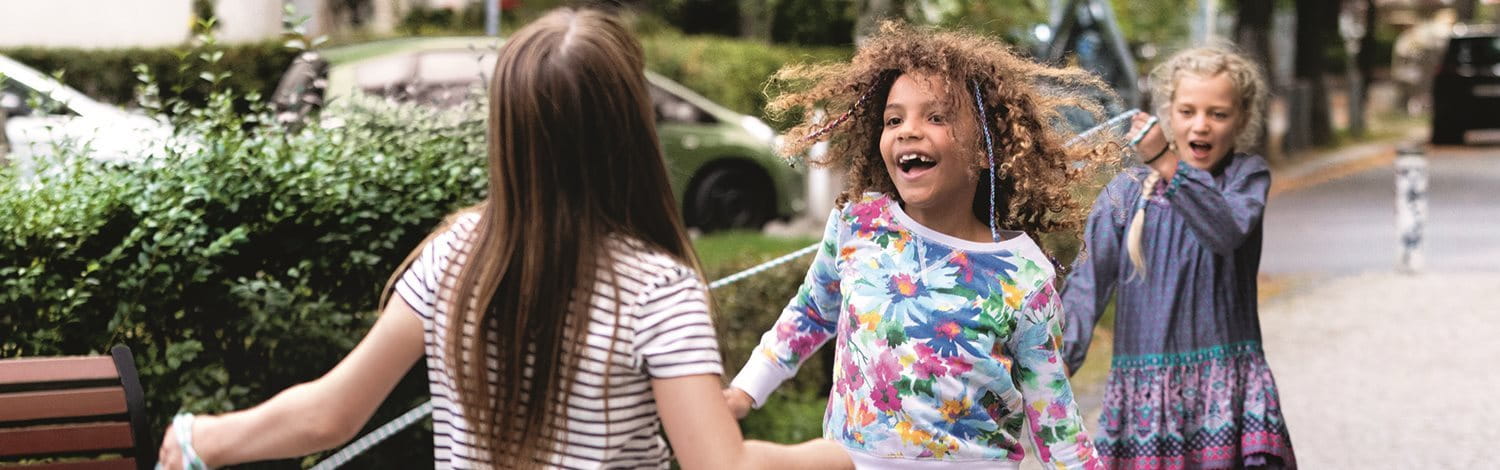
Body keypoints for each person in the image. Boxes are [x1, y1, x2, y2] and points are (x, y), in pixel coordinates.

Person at [156, 8, 852, 470]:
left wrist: (200, 438)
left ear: (508, 134)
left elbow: (330, 414)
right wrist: (849, 455)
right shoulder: (658, 290)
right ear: (631, 132)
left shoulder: (454, 253)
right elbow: (718, 466)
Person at [720, 21, 1116, 469]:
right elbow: (811, 312)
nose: (908, 130)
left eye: (936, 116)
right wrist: (744, 390)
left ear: (987, 149)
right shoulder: (858, 227)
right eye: (894, 119)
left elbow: (1058, 427)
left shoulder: (1022, 276)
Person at [1060, 46, 1297, 469]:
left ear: (1242, 119)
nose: (1201, 125)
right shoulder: (1123, 194)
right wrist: (1047, 375)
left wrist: (1166, 162)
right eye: (1187, 111)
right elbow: (1084, 293)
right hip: (1146, 408)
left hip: (1226, 399)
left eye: (1218, 114)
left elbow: (1224, 232)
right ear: (1167, 113)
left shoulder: (1245, 179)